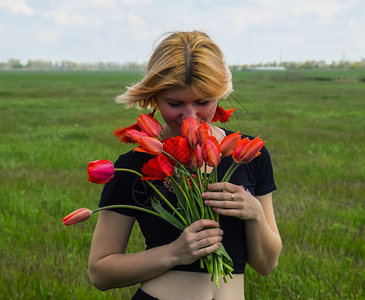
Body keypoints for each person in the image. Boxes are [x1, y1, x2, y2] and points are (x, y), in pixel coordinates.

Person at [88, 30, 282, 300]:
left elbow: (266, 264)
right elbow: (100, 272)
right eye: (175, 103)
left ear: (220, 95)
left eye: (203, 102)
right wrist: (174, 253)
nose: (189, 116)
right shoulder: (134, 165)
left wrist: (255, 213)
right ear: (155, 97)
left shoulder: (248, 153)